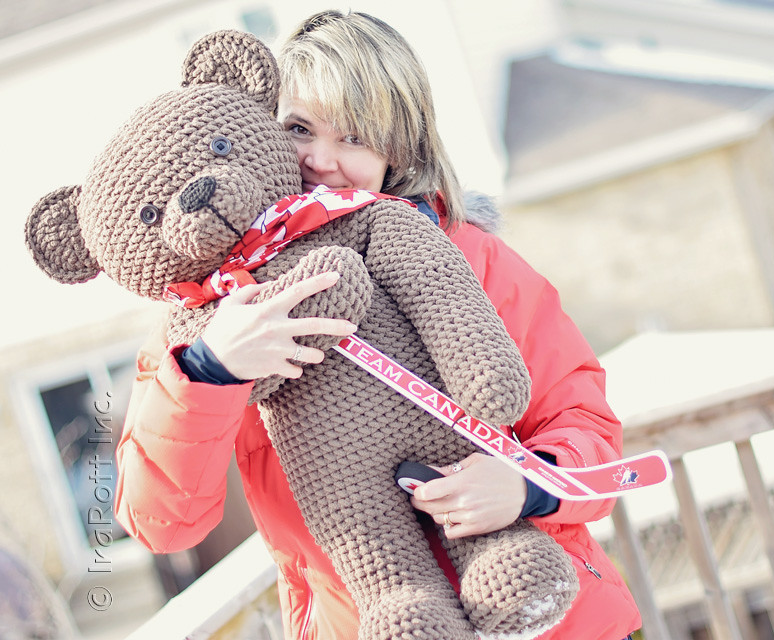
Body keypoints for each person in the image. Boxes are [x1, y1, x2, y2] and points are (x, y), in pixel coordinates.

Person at [115, 9, 641, 640]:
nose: (319, 160)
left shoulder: (470, 257)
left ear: (400, 151)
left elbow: (585, 427)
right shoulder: (207, 313)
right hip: (366, 621)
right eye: (298, 127)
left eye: (355, 138)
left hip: (555, 619)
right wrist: (209, 369)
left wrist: (528, 485)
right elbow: (163, 524)